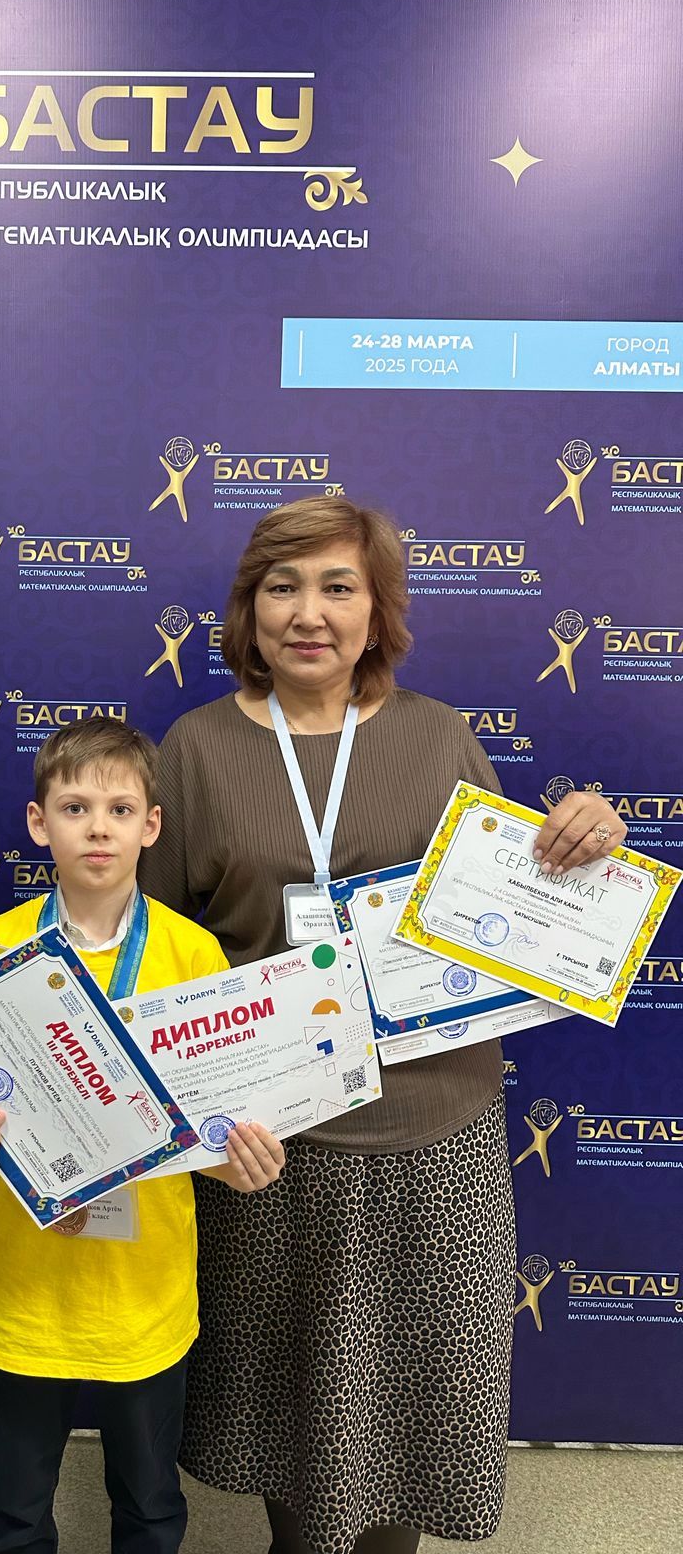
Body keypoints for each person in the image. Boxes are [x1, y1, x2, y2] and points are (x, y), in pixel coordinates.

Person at [138, 498, 627, 1554]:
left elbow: (524, 913)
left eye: (337, 587)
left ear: (377, 611)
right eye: (282, 587)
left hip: (436, 1141)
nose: (308, 613)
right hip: (272, 1153)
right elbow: (152, 952)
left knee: (412, 1435)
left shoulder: (437, 734)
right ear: (250, 608)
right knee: (297, 1442)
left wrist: (589, 843)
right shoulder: (196, 748)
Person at [0, 717, 288, 1554]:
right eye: (75, 808)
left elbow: (216, 1128)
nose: (98, 828)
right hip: (23, 1293)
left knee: (150, 1504)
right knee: (16, 1506)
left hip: (145, 1295)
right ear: (38, 823)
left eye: (120, 809)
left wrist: (240, 1163)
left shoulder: (192, 955)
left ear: (152, 826)